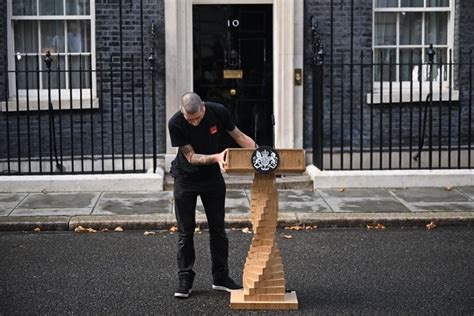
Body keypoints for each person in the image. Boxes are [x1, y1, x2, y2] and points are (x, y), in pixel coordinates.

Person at [168, 92, 256, 299]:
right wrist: (217, 157)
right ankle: (185, 279)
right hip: (185, 179)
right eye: (190, 119)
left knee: (218, 230)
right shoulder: (176, 123)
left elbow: (239, 136)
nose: (195, 122)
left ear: (204, 109)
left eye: (198, 117)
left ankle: (221, 278)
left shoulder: (218, 112)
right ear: (182, 113)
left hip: (212, 180)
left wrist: (262, 156)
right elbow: (190, 156)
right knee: (185, 232)